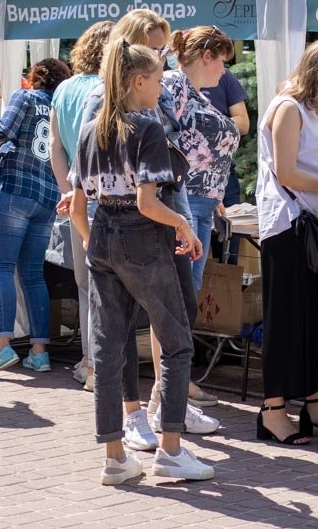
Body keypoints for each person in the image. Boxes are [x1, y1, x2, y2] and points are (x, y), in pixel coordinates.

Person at [69, 40, 214, 485]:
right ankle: (170, 449)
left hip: (102, 237)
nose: (161, 87)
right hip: (142, 236)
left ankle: (115, 457)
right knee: (176, 342)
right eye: (156, 79)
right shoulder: (147, 130)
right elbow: (148, 203)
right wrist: (184, 226)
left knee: (108, 350)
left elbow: (77, 207)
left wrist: (102, 249)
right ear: (138, 81)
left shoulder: (90, 129)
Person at [255, 36, 318, 445]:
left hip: (307, 224)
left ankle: (316, 403)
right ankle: (273, 409)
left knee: (316, 319)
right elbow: (287, 172)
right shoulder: (288, 108)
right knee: (287, 319)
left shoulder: (308, 111)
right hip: (288, 226)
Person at [0, 57, 69, 378]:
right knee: (33, 275)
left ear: (36, 77)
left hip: (15, 191)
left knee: (0, 269)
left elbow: (1, 131)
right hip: (48, 199)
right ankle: (39, 354)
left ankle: (0, 346)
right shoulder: (61, 109)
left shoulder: (24, 97)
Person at [51, 21, 112, 391]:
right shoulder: (108, 88)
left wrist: (66, 189)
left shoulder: (64, 88)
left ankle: (89, 362)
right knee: (105, 287)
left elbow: (55, 146)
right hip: (110, 196)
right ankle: (97, 366)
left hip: (76, 194)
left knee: (84, 285)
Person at [164, 26, 241, 291]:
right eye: (222, 61)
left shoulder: (194, 93)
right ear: (207, 56)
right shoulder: (175, 84)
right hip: (185, 203)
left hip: (202, 205)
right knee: (181, 292)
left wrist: (215, 193)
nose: (224, 69)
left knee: (189, 292)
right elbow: (164, 140)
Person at [199, 65, 249, 264]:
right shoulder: (170, 79)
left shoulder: (225, 75)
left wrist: (207, 125)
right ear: (206, 57)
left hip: (224, 177)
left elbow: (243, 124)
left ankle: (226, 296)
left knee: (227, 257)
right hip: (189, 181)